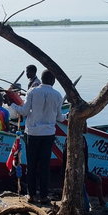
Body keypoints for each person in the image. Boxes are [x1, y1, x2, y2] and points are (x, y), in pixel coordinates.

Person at [10, 69, 66, 204]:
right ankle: (44, 196)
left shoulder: (32, 92)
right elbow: (59, 117)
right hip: (48, 134)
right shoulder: (58, 95)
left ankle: (31, 195)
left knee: (32, 165)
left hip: (33, 133)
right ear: (53, 81)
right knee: (45, 166)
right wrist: (67, 116)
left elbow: (24, 111)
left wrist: (12, 104)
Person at [62, 122, 108, 212]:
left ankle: (102, 203)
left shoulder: (83, 139)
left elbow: (85, 158)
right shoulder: (71, 140)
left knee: (98, 180)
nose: (87, 128)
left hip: (83, 170)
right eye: (85, 126)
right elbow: (67, 159)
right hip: (74, 172)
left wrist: (85, 171)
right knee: (85, 207)